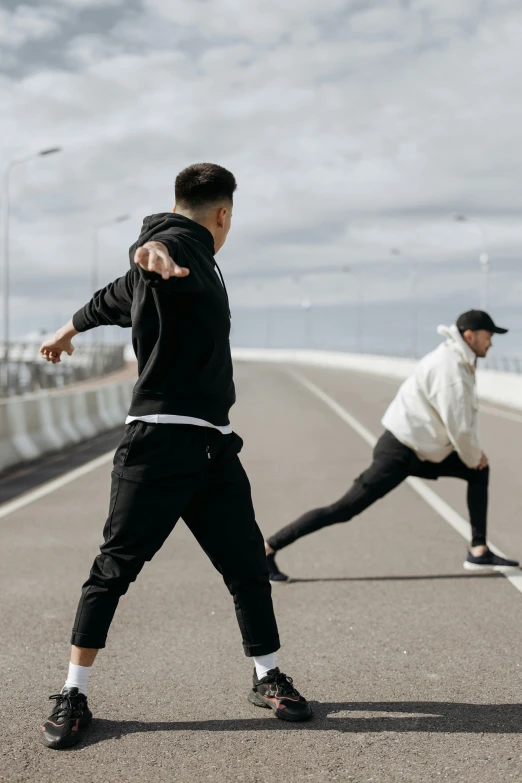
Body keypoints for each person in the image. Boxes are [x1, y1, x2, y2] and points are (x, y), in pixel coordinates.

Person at [39, 163, 312, 750]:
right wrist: (153, 252)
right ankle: (73, 692)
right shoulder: (181, 246)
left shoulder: (196, 269)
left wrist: (65, 332)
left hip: (214, 447)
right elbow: (155, 248)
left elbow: (105, 300)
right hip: (158, 446)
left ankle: (267, 676)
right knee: (114, 570)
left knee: (246, 567)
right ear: (224, 215)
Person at [266, 310, 519, 582]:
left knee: (479, 470)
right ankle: (267, 548)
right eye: (488, 336)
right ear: (469, 335)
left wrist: (474, 459)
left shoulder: (458, 360)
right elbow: (459, 425)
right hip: (399, 451)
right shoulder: (451, 369)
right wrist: (473, 456)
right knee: (344, 509)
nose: (491, 342)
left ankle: (478, 550)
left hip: (423, 450)